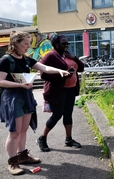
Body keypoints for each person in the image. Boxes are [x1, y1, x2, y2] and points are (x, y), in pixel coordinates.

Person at [0, 30, 70, 175]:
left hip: (26, 96)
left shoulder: (26, 59)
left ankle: (22, 156)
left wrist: (59, 71)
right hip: (12, 99)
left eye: (28, 43)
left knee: (23, 129)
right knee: (14, 132)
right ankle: (12, 162)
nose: (28, 46)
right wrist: (19, 85)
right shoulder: (6, 60)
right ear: (15, 43)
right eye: (25, 43)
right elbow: (0, 81)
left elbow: (43, 67)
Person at [36, 34, 84, 152]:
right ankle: (42, 138)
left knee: (68, 114)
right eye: (63, 43)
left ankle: (69, 139)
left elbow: (81, 68)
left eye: (67, 43)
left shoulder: (67, 55)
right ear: (55, 44)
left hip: (70, 90)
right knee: (57, 115)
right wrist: (61, 75)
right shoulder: (50, 56)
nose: (66, 45)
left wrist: (74, 57)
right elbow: (43, 74)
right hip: (58, 91)